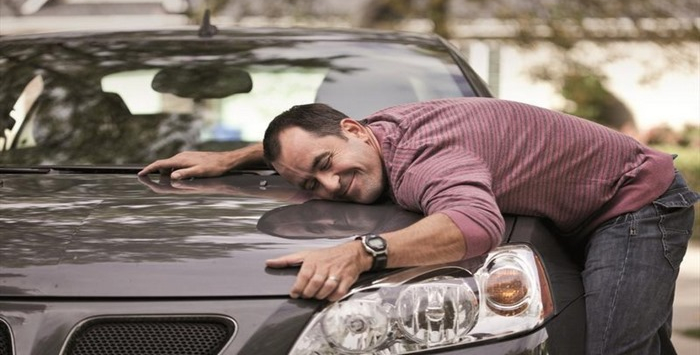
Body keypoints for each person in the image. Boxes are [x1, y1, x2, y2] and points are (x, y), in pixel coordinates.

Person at [139, 98, 698, 355]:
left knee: (618, 349)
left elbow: (477, 223)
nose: (329, 184)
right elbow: (309, 146)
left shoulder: (425, 158)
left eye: (327, 164)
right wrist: (230, 158)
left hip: (632, 201)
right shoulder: (375, 131)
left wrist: (361, 252)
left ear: (356, 131)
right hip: (587, 203)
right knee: (644, 339)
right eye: (309, 182)